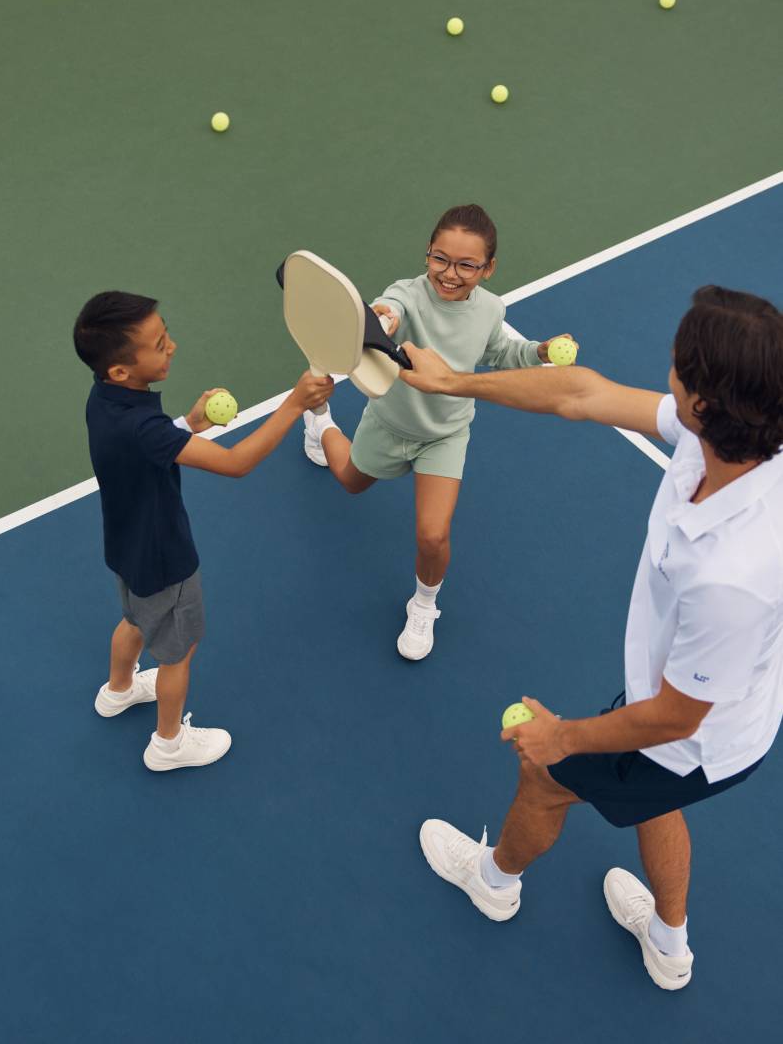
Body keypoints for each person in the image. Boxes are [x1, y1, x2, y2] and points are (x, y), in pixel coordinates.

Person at [400, 285, 783, 990]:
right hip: (691, 706)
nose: (666, 369)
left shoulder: (731, 575)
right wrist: (453, 381)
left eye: (677, 365)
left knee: (544, 779)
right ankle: (669, 944)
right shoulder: (734, 438)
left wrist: (563, 738)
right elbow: (581, 393)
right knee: (655, 799)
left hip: (688, 736)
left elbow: (674, 718)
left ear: (704, 402)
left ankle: (494, 880)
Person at [73, 291, 332, 772]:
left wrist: (188, 424)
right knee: (177, 654)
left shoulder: (105, 401)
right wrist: (295, 404)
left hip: (125, 548)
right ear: (121, 370)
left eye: (166, 334)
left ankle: (119, 690)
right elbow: (236, 463)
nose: (171, 346)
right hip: (165, 560)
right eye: (158, 344)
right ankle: (168, 744)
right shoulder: (145, 429)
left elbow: (148, 447)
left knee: (134, 619)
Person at [302, 204, 573, 659]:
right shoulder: (406, 295)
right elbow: (388, 311)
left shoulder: (490, 309)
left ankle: (424, 604)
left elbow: (500, 352)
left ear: (488, 268)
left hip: (445, 435)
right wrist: (382, 319)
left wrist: (539, 351)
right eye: (440, 259)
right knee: (349, 480)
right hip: (390, 421)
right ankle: (320, 422)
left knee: (433, 535)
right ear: (427, 252)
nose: (450, 273)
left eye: (467, 265)